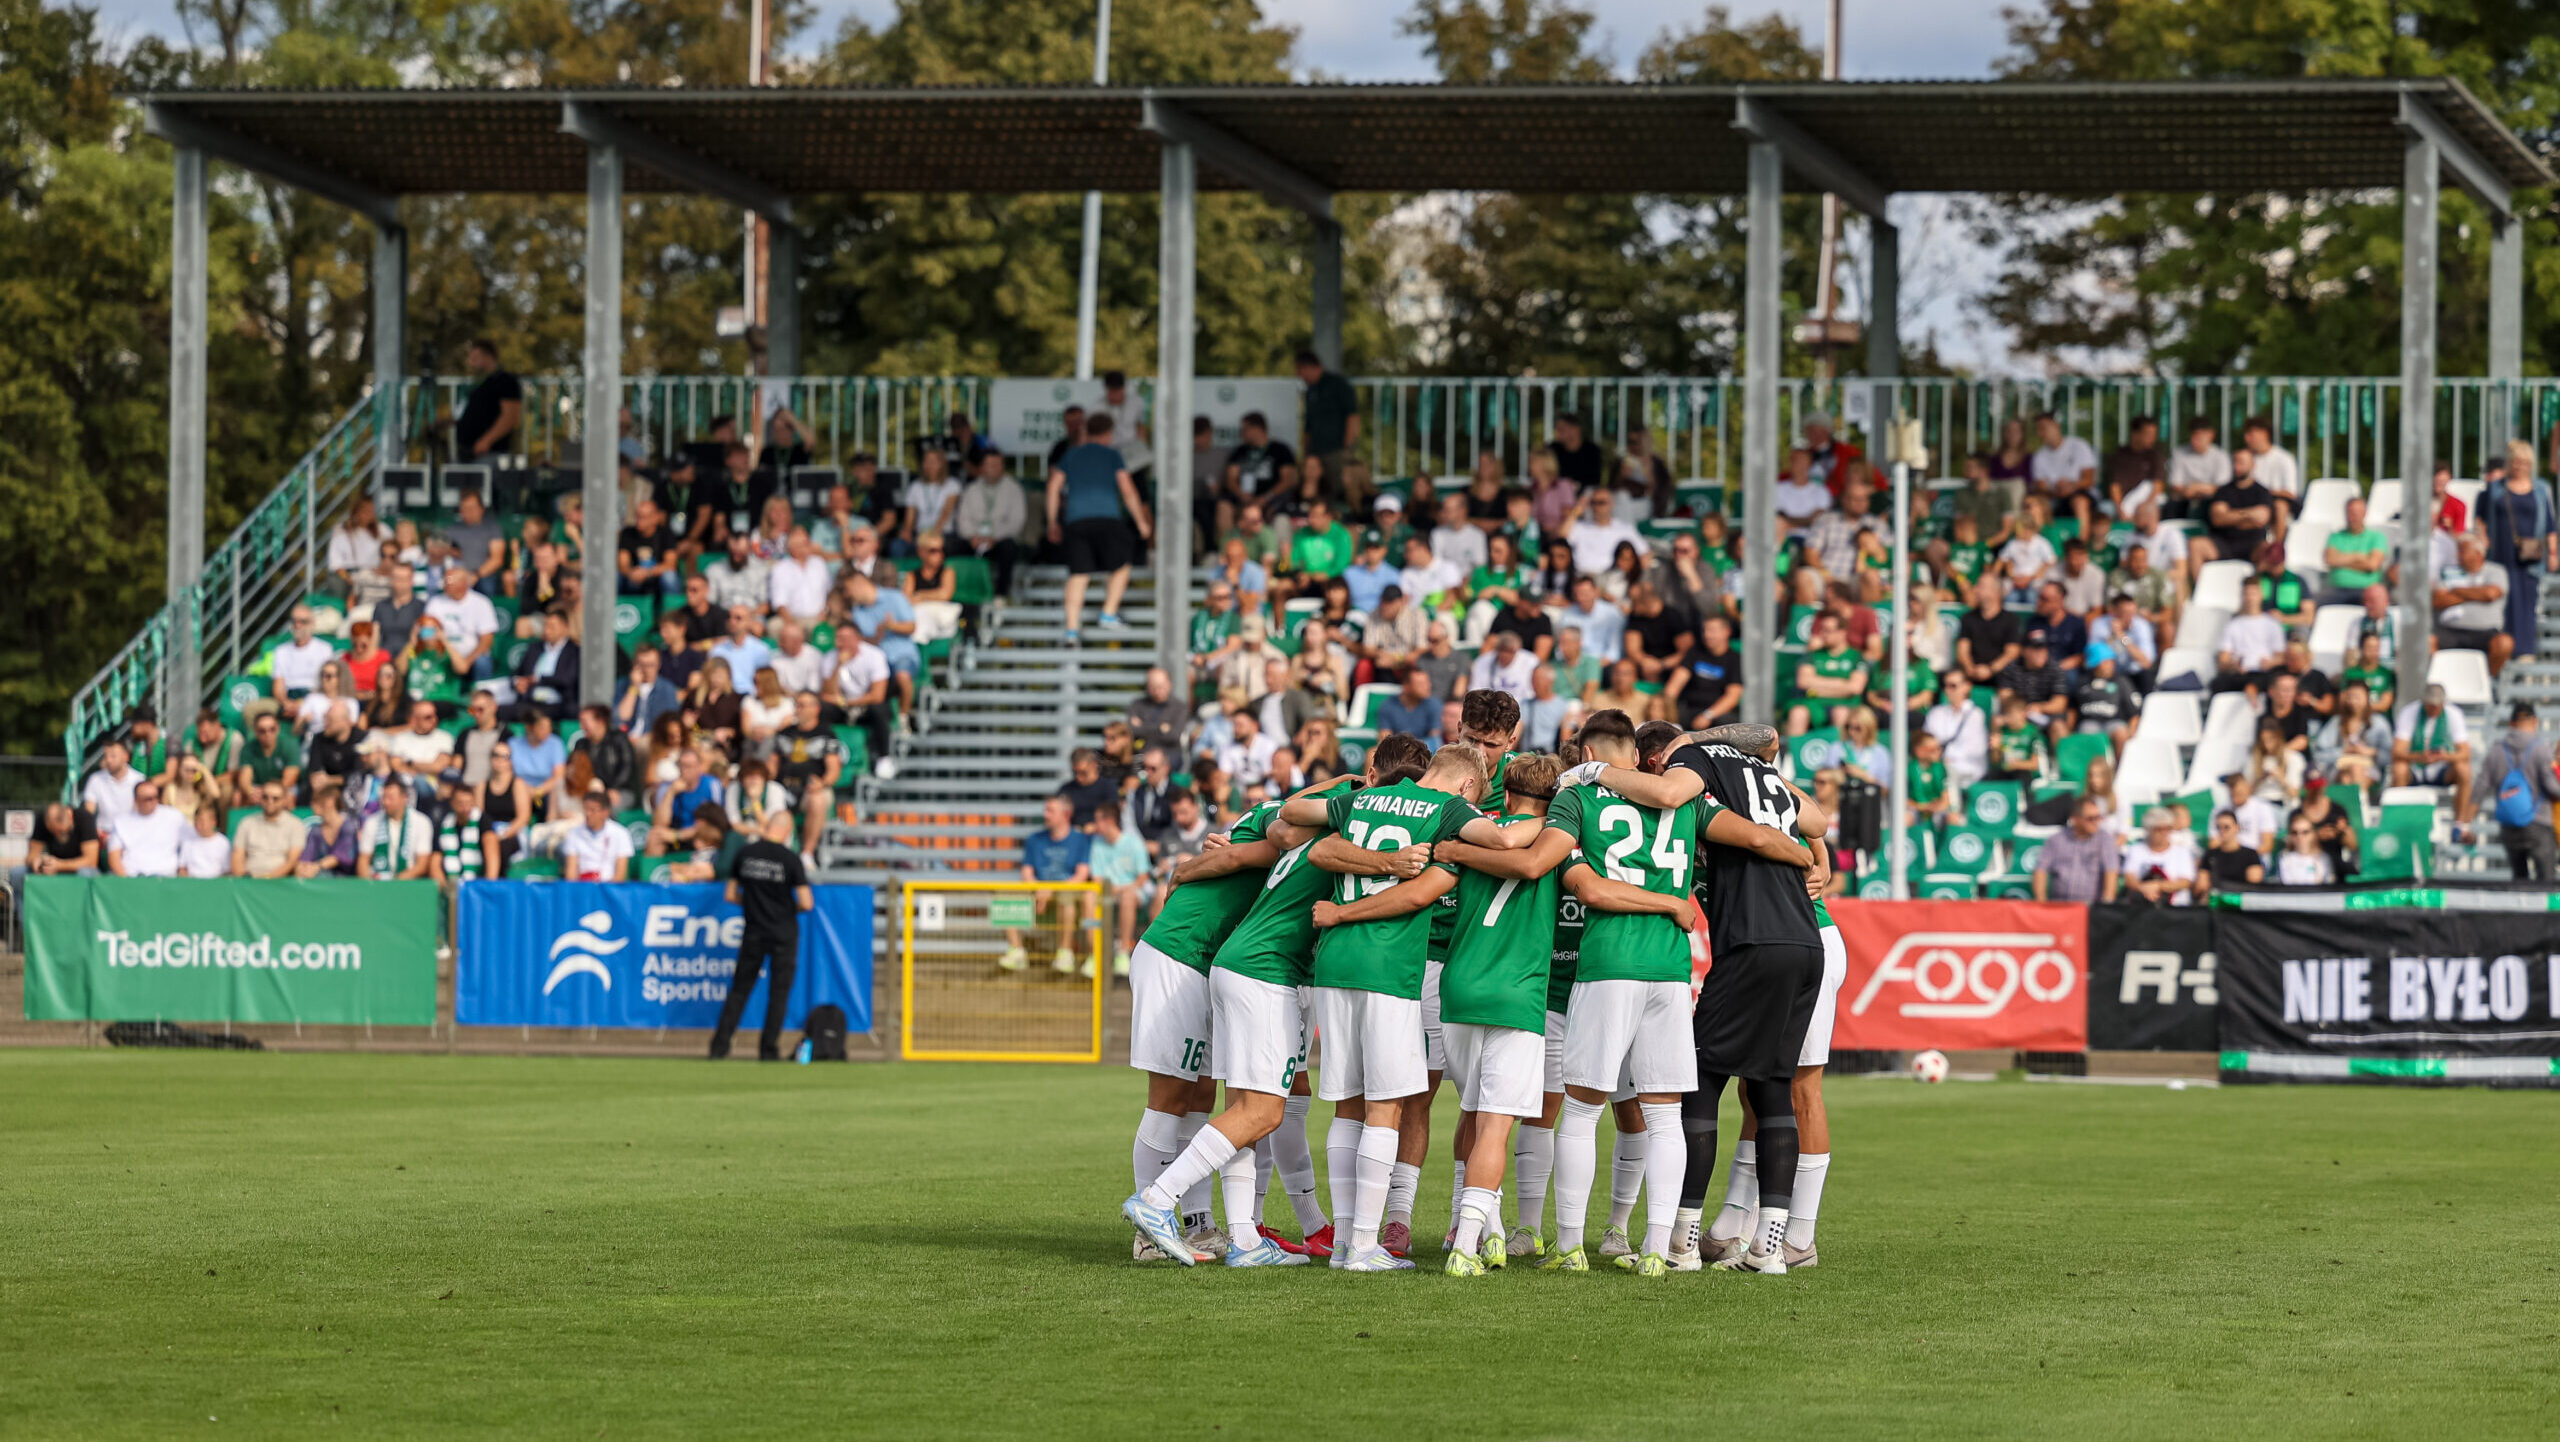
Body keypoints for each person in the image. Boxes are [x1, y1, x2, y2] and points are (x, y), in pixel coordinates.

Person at [1560, 719, 1828, 1274]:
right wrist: (1813, 856)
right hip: (1807, 939)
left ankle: (1669, 1242)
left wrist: (1592, 771)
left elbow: (1671, 795)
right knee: (1772, 1088)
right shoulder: (1752, 778)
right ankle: (1768, 1248)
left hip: (1733, 942)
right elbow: (1810, 822)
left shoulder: (1676, 783)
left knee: (1685, 1089)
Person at [708, 811, 815, 1061]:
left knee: (740, 990)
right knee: (778, 993)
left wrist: (752, 904)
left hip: (753, 930)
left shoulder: (746, 854)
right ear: (787, 831)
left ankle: (719, 1047)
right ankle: (768, 1050)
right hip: (783, 932)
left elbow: (730, 895)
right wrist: (787, 908)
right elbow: (807, 903)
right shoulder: (790, 859)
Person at [1048, 412, 1153, 645]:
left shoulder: (1071, 455)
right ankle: (1108, 612)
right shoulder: (1113, 455)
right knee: (1122, 563)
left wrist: (1052, 521)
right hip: (1107, 520)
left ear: (1086, 431)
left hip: (1076, 521)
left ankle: (1072, 630)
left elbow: (1053, 487)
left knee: (1078, 574)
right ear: (1108, 433)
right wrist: (1141, 522)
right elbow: (1128, 491)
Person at [1002, 795, 1093, 976]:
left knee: (1066, 897)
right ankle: (1017, 950)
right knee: (1006, 895)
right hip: (1039, 889)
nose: (1045, 815)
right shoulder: (1034, 839)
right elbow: (1027, 873)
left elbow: (1081, 875)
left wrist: (1052, 889)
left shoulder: (1081, 840)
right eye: (1045, 810)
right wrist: (1040, 888)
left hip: (1066, 891)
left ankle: (1065, 952)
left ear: (1066, 814)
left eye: (1050, 811)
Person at [2482, 701, 2560, 880]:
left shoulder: (2497, 750)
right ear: (2534, 722)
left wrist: (2463, 822)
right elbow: (2551, 787)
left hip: (2509, 824)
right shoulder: (2540, 749)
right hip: (2538, 823)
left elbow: (2481, 785)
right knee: (2546, 880)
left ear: (2511, 723)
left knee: (2519, 879)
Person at [2435, 531, 2515, 676]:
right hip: (2450, 631)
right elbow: (2438, 600)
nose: (2457, 555)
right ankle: (2430, 684)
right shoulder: (2449, 572)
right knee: (2428, 641)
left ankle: (2488, 681)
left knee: (2504, 643)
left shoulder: (2496, 572)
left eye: (2462, 551)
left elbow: (2490, 594)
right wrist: (2477, 594)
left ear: (2479, 554)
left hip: (2485, 633)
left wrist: (2456, 590)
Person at [2033, 796, 2118, 902]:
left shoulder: (2105, 840)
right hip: (2061, 905)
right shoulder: (2056, 840)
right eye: (2090, 818)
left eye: (2098, 817)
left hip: (2090, 908)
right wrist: (2041, 901)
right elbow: (2040, 869)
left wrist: (2106, 906)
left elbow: (2111, 871)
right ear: (2075, 819)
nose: (2096, 822)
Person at [453, 337, 522, 459]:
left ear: (488, 356)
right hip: (468, 452)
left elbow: (510, 416)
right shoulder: (480, 383)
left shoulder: (505, 381)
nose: (471, 363)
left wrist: (486, 441)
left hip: (490, 453)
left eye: (475, 358)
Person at [2118, 807, 2200, 905]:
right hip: (2142, 907)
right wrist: (2144, 888)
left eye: (2168, 828)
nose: (2164, 833)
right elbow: (2129, 878)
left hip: (2176, 908)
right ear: (2148, 830)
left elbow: (2186, 882)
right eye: (2159, 829)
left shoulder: (2182, 851)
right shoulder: (2136, 850)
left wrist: (2158, 886)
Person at [230, 782, 308, 880]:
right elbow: (237, 855)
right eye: (265, 797)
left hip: (280, 882)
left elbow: (292, 861)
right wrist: (241, 878)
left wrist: (267, 878)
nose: (269, 801)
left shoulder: (295, 825)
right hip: (249, 879)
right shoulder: (247, 823)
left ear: (284, 800)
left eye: (275, 798)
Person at [560, 788, 634, 882]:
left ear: (605, 812)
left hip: (608, 889)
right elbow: (571, 874)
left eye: (593, 810)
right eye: (586, 809)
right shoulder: (574, 833)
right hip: (583, 887)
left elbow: (620, 875)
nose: (588, 814)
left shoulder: (621, 833)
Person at [2200, 809, 2266, 894]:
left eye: (2226, 827)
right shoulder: (2211, 855)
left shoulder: (2250, 854)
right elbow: (2202, 885)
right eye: (2218, 827)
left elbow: (2254, 883)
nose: (2222, 831)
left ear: (2237, 827)